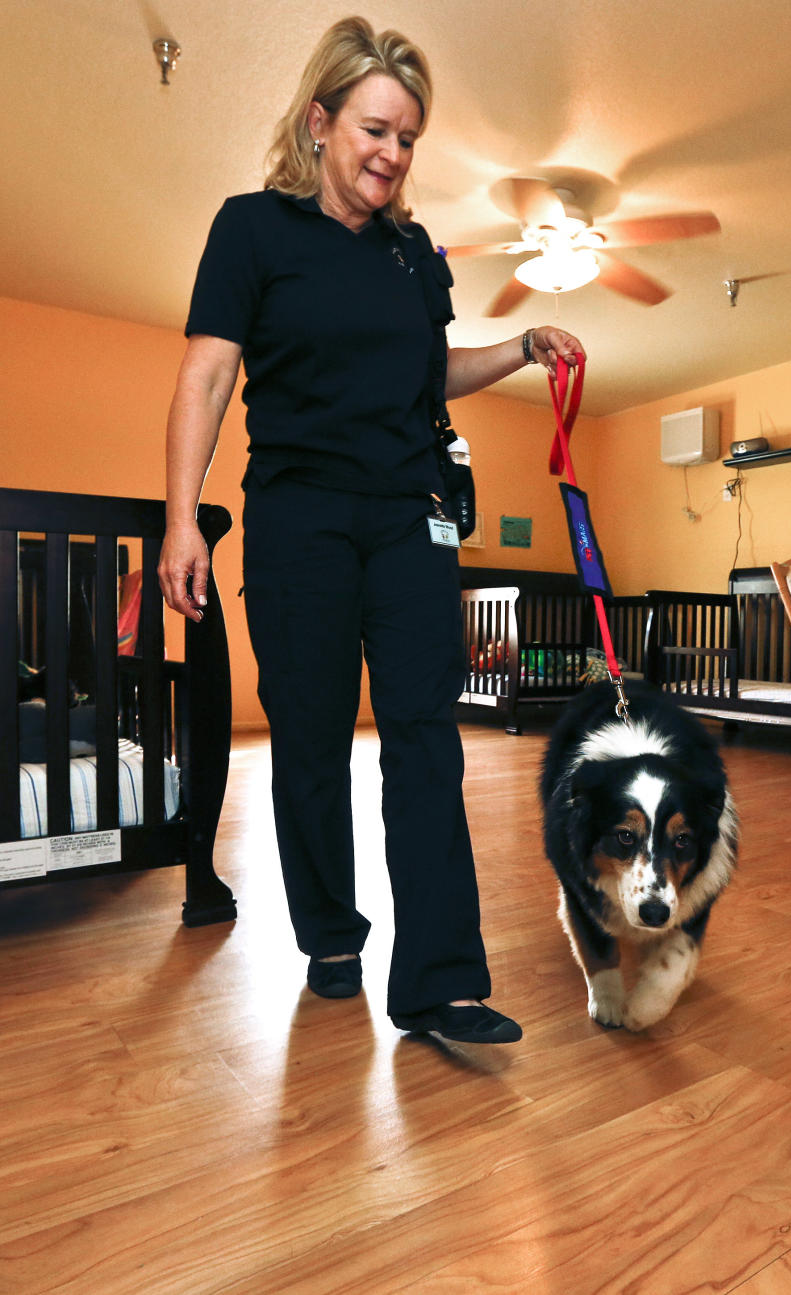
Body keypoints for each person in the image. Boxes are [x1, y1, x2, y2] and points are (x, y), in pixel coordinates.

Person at [158, 16, 585, 1046]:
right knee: (309, 737)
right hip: (300, 512)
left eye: (408, 138)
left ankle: (439, 978)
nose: (393, 155)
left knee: (425, 739)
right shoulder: (252, 229)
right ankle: (332, 931)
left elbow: (426, 373)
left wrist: (522, 345)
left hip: (408, 515)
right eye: (376, 131)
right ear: (321, 121)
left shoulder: (411, 257)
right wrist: (182, 520)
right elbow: (209, 373)